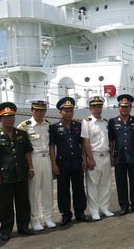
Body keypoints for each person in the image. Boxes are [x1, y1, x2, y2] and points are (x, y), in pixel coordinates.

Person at [0, 102, 34, 241]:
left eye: (11, 117)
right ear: (0, 119)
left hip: (21, 172)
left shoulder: (22, 134)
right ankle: (6, 230)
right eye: (6, 117)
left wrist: (30, 168)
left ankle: (23, 226)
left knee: (23, 202)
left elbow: (27, 152)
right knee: (5, 204)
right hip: (5, 175)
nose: (9, 119)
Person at [17, 99, 56, 231]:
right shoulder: (24, 126)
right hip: (33, 158)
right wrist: (28, 166)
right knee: (33, 192)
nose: (39, 113)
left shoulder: (47, 125)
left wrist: (53, 162)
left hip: (46, 158)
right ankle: (34, 219)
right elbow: (21, 148)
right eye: (37, 110)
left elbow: (51, 146)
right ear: (32, 110)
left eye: (42, 110)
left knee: (47, 190)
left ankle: (48, 217)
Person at [49, 97, 88, 226]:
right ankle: (65, 214)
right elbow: (52, 146)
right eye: (66, 111)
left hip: (77, 162)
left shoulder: (78, 125)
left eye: (71, 111)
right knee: (63, 190)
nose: (69, 113)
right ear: (61, 112)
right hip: (62, 163)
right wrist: (53, 164)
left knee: (79, 188)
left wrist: (84, 159)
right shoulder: (54, 127)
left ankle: (80, 212)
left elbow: (82, 144)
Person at [108, 94, 134, 214]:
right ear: (119, 107)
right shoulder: (112, 122)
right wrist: (111, 155)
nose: (124, 109)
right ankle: (123, 205)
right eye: (122, 107)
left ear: (130, 108)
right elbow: (111, 140)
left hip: (133, 155)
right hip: (119, 156)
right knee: (121, 182)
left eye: (127, 106)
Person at [81, 96, 113, 221]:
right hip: (94, 155)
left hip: (105, 155)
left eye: (99, 106)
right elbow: (85, 141)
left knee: (105, 183)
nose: (97, 109)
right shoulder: (87, 122)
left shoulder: (106, 122)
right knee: (93, 185)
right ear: (90, 108)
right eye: (94, 107)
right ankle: (94, 210)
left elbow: (109, 141)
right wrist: (89, 158)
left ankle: (104, 208)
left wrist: (111, 155)